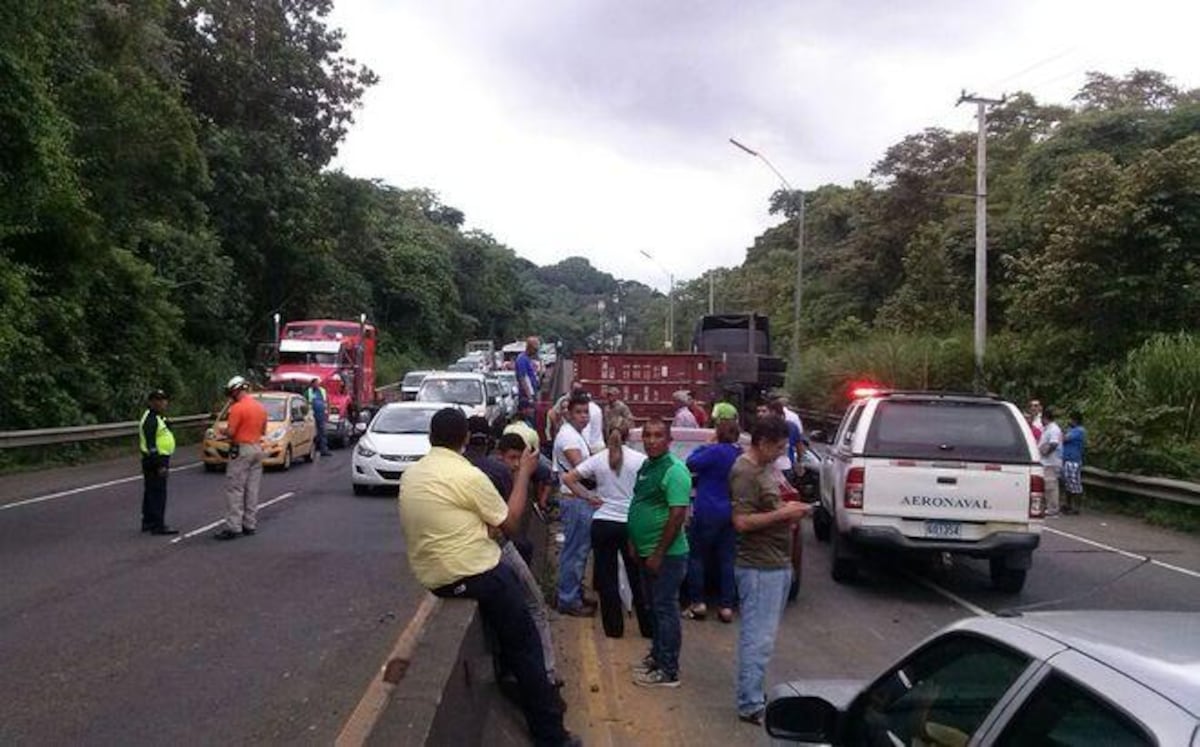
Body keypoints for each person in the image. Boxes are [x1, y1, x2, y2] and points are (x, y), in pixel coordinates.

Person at [397, 408, 577, 747]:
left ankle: (510, 678)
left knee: (509, 629)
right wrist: (524, 473)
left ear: (431, 438)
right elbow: (509, 523)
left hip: (434, 578)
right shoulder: (468, 476)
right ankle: (551, 736)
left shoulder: (413, 474)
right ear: (464, 439)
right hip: (474, 571)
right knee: (527, 643)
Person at [730, 416, 811, 725]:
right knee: (758, 637)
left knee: (764, 636)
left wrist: (786, 513)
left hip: (775, 562)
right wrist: (785, 514)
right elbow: (742, 522)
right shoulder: (745, 472)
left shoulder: (763, 468)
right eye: (778, 447)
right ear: (762, 443)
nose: (781, 453)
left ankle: (752, 694)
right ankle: (749, 702)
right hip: (759, 566)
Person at [468, 424, 561, 689]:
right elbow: (511, 523)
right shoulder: (498, 473)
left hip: (473, 555)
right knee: (535, 604)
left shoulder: (456, 472)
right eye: (512, 459)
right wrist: (524, 476)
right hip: (495, 548)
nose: (515, 464)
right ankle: (548, 674)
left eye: (518, 460)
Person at [562, 425, 652, 639]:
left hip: (603, 522)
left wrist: (588, 496)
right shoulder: (640, 460)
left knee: (607, 578)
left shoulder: (598, 459)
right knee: (638, 578)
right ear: (628, 435)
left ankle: (613, 629)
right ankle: (648, 627)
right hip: (630, 524)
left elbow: (568, 479)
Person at [628, 417, 691, 688]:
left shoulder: (675, 470)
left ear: (669, 440)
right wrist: (633, 541)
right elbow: (639, 503)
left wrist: (657, 553)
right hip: (644, 551)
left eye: (657, 436)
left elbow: (678, 515)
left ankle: (669, 670)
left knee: (665, 609)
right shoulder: (647, 466)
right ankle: (656, 655)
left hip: (667, 555)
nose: (651, 441)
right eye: (648, 435)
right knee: (652, 607)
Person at [683, 418, 741, 623]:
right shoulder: (739, 454)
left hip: (707, 510)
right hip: (730, 511)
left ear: (718, 433)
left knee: (697, 556)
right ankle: (726, 606)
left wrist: (705, 444)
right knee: (727, 559)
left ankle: (698, 603)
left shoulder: (713, 452)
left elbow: (690, 463)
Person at [553, 392, 596, 616]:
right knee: (576, 552)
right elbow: (583, 471)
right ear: (569, 414)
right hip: (576, 500)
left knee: (578, 551)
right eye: (578, 412)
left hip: (578, 499)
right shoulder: (569, 437)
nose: (583, 417)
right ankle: (568, 599)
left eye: (586, 412)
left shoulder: (575, 435)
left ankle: (573, 592)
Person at [215, 376, 268, 540]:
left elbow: (231, 433)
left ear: (235, 390)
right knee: (252, 489)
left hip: (242, 449)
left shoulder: (237, 408)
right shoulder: (260, 407)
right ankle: (249, 524)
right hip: (257, 448)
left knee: (235, 488)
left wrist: (221, 431)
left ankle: (234, 527)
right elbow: (263, 430)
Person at [139, 389, 178, 535]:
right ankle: (158, 525)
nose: (162, 403)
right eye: (157, 400)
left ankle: (148, 521)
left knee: (150, 491)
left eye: (163, 400)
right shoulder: (151, 420)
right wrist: (160, 465)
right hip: (156, 459)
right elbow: (151, 445)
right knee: (158, 493)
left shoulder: (158, 417)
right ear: (151, 402)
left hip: (155, 458)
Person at [1038, 406, 1063, 517]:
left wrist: (1045, 452)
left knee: (1050, 487)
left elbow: (1054, 443)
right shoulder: (1048, 428)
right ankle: (1049, 506)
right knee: (1047, 486)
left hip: (1051, 462)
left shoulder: (1053, 429)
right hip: (1046, 462)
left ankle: (1053, 508)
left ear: (1045, 418)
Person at [1061, 410, 1087, 515]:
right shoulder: (1072, 430)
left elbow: (1064, 438)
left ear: (1075, 420)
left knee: (1075, 484)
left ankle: (1076, 507)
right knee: (1068, 484)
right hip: (1067, 459)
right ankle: (1068, 504)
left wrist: (1063, 433)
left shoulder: (1079, 430)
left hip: (1073, 460)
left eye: (1071, 419)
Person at [306, 377, 331, 457]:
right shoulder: (308, 392)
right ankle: (311, 450)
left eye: (318, 383)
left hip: (321, 415)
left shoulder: (323, 391)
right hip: (311, 415)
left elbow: (327, 401)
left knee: (323, 432)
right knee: (312, 433)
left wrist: (328, 412)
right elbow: (305, 403)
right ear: (312, 384)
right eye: (315, 383)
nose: (317, 385)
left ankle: (324, 450)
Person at [515, 336, 541, 411]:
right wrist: (530, 397)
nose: (536, 352)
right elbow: (523, 379)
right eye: (535, 349)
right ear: (530, 348)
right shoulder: (522, 359)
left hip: (532, 394)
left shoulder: (528, 359)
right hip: (526, 397)